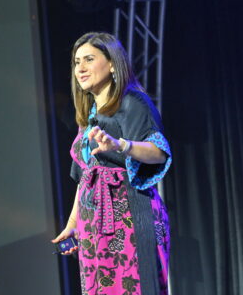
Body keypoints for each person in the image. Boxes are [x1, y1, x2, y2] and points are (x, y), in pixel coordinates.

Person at [52, 32, 172, 295]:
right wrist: (73, 224)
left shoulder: (132, 102)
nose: (80, 68)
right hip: (93, 225)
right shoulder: (87, 119)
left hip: (130, 216)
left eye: (89, 59)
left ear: (112, 64)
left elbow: (159, 151)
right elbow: (86, 176)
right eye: (76, 62)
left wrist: (121, 145)